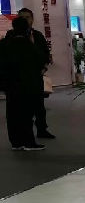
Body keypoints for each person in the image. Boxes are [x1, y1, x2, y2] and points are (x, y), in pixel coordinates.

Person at [0, 16, 46, 151]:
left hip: (10, 85)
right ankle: (28, 142)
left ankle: (16, 142)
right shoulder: (27, 44)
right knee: (26, 114)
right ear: (26, 28)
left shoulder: (5, 44)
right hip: (27, 84)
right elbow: (40, 60)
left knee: (12, 113)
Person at [18, 7, 54, 140]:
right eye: (22, 18)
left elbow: (45, 53)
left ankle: (42, 130)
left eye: (27, 17)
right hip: (20, 78)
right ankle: (25, 135)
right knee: (23, 108)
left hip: (36, 76)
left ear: (32, 19)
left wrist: (44, 67)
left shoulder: (38, 35)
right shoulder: (12, 36)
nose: (25, 20)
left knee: (39, 106)